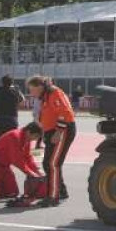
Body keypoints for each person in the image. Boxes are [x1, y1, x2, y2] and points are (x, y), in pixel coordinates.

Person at [28, 74, 76, 207]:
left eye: (32, 90)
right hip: (53, 131)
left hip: (62, 130)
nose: (31, 93)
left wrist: (59, 132)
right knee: (49, 163)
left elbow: (66, 113)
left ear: (40, 87)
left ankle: (53, 196)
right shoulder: (45, 96)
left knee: (52, 164)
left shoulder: (54, 93)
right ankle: (60, 191)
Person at [0, 121, 43, 200]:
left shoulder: (26, 139)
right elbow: (16, 160)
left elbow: (28, 158)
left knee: (13, 192)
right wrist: (30, 173)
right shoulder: (15, 136)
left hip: (5, 168)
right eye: (35, 136)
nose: (35, 140)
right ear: (29, 132)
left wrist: (37, 172)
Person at [0, 75, 25, 145]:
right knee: (13, 140)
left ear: (2, 82)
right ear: (12, 83)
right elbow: (22, 101)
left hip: (0, 119)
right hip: (12, 118)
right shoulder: (15, 91)